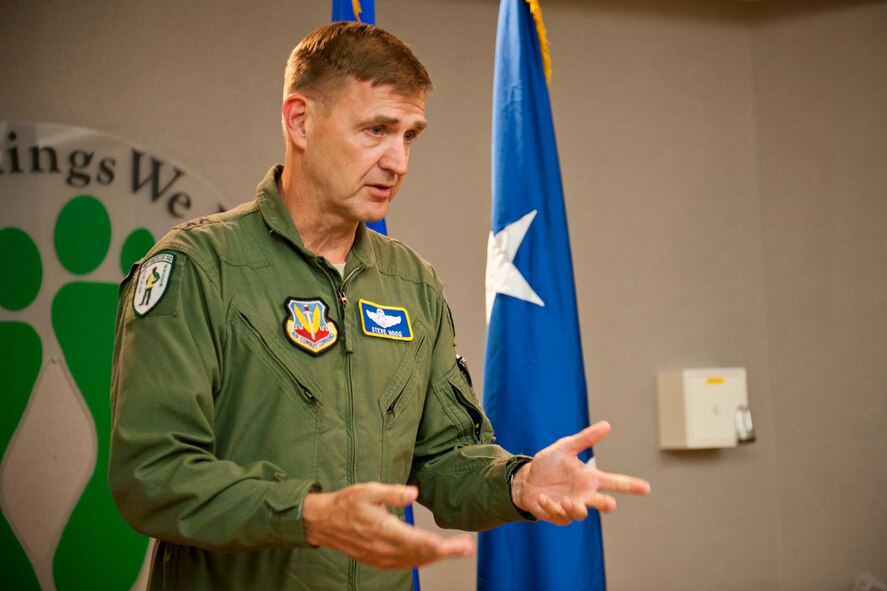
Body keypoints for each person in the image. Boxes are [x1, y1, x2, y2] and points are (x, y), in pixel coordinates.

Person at [108, 21, 650, 591]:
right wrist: (309, 515)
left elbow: (444, 460)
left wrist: (516, 482)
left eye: (410, 136)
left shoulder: (410, 283)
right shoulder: (199, 268)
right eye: (376, 131)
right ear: (299, 120)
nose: (399, 162)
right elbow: (153, 475)